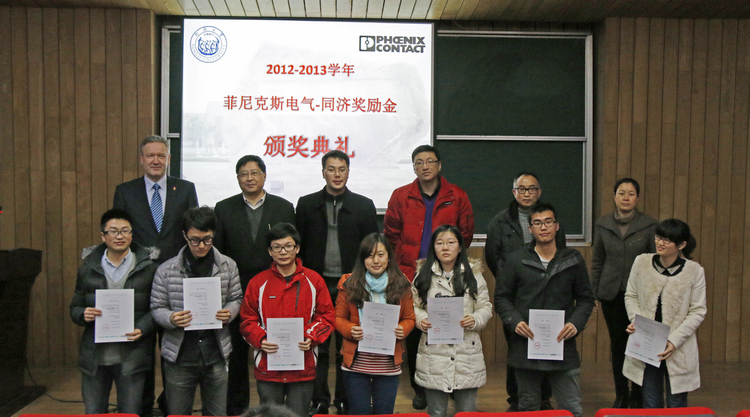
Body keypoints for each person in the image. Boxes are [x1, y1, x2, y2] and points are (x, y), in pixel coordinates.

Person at [113, 134, 199, 416]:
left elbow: (194, 231)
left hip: (176, 280)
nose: (155, 160)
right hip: (137, 280)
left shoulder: (185, 189)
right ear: (141, 159)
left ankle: (171, 404)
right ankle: (142, 405)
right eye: (150, 155)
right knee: (140, 345)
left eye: (161, 155)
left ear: (168, 159)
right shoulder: (125, 191)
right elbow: (118, 233)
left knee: (174, 345)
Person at [383, 144, 474, 409]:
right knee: (416, 332)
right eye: (419, 162)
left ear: (439, 165)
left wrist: (451, 261)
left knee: (450, 328)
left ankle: (452, 384)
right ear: (413, 167)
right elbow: (390, 235)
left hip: (448, 274)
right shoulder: (401, 195)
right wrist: (400, 268)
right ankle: (420, 387)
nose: (425, 166)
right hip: (410, 274)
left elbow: (465, 233)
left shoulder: (457, 195)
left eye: (430, 161)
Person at [296, 150, 379, 415]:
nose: (337, 174)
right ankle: (320, 399)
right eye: (331, 169)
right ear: (323, 172)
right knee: (317, 343)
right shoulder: (307, 204)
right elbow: (299, 247)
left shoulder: (364, 205)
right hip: (316, 286)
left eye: (342, 169)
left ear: (348, 173)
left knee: (347, 345)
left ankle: (344, 399)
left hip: (351, 286)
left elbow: (372, 249)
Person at [495, 202, 594, 417]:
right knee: (528, 407)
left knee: (571, 407)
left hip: (563, 345)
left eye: (548, 222)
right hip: (525, 345)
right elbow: (502, 298)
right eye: (538, 223)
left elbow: (586, 299)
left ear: (556, 226)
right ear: (530, 229)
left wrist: (575, 324)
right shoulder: (516, 260)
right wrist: (514, 321)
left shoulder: (572, 259)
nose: (544, 227)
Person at [213, 155, 295, 415]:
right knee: (237, 353)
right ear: (238, 179)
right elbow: (218, 253)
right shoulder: (223, 208)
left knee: (274, 346)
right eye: (244, 174)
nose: (249, 178)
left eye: (255, 173)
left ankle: (277, 409)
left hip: (275, 288)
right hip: (236, 290)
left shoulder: (283, 207)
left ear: (264, 176)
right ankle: (237, 408)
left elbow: (290, 249)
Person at [150, 206, 242, 416]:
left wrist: (229, 312)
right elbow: (156, 307)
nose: (201, 246)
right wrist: (171, 318)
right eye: (195, 240)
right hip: (180, 354)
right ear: (185, 235)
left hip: (216, 352)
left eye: (207, 240)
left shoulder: (228, 266)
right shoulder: (166, 270)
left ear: (214, 234)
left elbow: (236, 298)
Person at [69, 209, 160, 415]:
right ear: (103, 236)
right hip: (95, 356)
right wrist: (83, 314)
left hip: (132, 356)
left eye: (125, 230)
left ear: (132, 234)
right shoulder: (88, 268)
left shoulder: (148, 267)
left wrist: (142, 328)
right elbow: (74, 307)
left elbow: (157, 308)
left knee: (130, 412)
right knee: (94, 411)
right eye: (113, 231)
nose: (120, 236)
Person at [240, 223, 335, 417]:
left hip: (303, 366)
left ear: (297, 248)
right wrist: (261, 339)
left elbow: (326, 316)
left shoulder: (314, 280)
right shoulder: (258, 282)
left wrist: (311, 336)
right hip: (268, 367)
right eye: (277, 247)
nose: (283, 252)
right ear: (270, 251)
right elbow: (247, 320)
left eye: (288, 246)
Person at [485, 172, 554, 411]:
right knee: (517, 348)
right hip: (513, 296)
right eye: (522, 189)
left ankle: (544, 398)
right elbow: (492, 257)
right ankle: (515, 399)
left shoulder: (550, 220)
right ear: (514, 192)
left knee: (545, 345)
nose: (526, 193)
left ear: (539, 192)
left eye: (531, 189)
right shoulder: (500, 222)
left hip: (545, 293)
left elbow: (560, 252)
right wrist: (510, 281)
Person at [623, 219, 706, 408]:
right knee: (651, 403)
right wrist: (636, 320)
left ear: (681, 245)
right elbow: (631, 295)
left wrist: (674, 341)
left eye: (667, 240)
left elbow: (698, 311)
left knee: (677, 404)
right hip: (647, 342)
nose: (660, 243)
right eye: (658, 237)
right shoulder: (641, 262)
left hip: (677, 347)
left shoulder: (694, 271)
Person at [412, 224, 492, 417]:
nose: (445, 247)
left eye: (451, 242)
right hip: (434, 354)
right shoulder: (422, 275)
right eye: (439, 243)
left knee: (466, 412)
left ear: (460, 247)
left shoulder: (474, 275)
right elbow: (413, 307)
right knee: (436, 412)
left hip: (467, 354)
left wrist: (474, 319)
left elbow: (485, 307)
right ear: (433, 247)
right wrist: (421, 319)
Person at [591, 178, 657, 408]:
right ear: (614, 196)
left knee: (639, 343)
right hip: (611, 293)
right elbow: (597, 261)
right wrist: (594, 293)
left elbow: (654, 261)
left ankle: (638, 395)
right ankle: (621, 394)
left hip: (640, 295)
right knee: (618, 345)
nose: (626, 198)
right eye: (621, 193)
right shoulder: (603, 224)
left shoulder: (649, 224)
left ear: (637, 198)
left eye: (631, 193)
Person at [334, 233, 416, 415]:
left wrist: (403, 329)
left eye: (380, 254)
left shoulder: (402, 284)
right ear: (363, 259)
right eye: (370, 256)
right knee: (359, 412)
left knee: (384, 412)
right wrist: (350, 330)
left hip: (388, 365)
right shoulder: (349, 283)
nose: (376, 260)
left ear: (389, 257)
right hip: (356, 364)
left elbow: (410, 318)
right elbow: (338, 318)